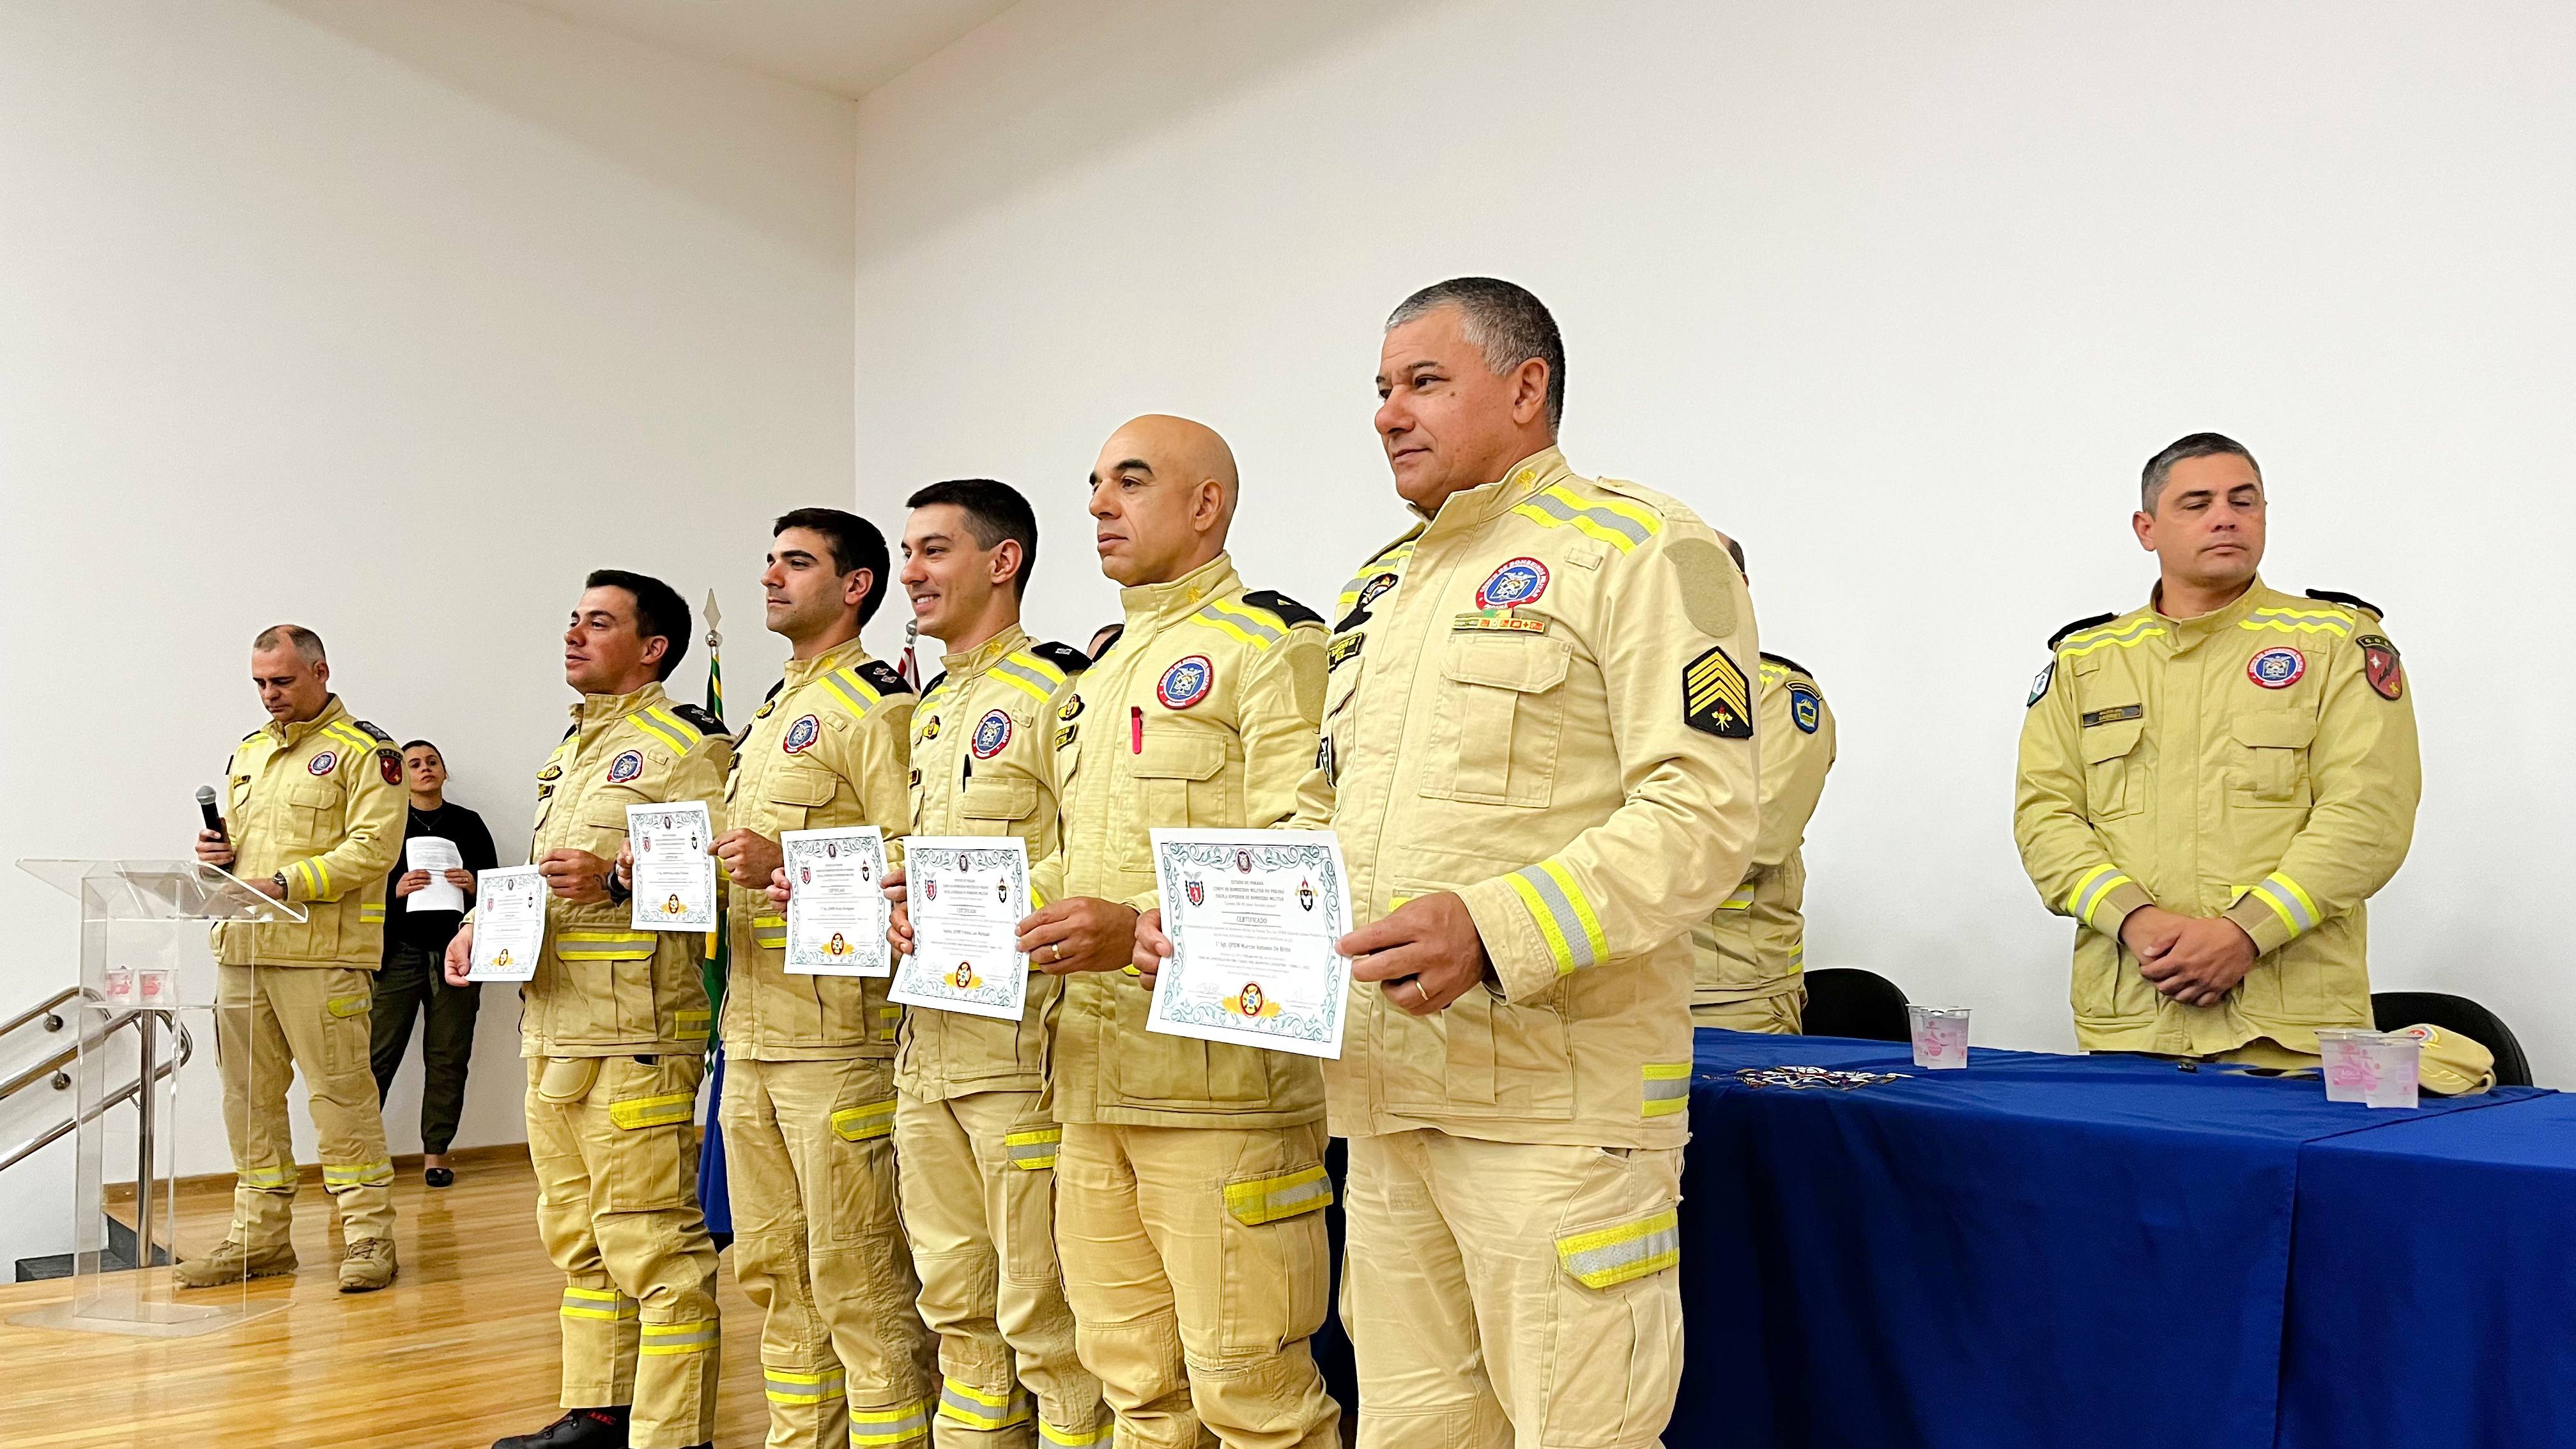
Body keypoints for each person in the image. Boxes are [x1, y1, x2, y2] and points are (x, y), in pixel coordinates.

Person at [1174, 278, 1761, 1447]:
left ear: (1525, 387)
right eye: (1382, 390)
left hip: (1555, 1110)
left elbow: (1702, 811)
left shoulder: (1643, 547)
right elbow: (1330, 815)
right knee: (1414, 1432)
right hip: (1392, 1102)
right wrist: (1209, 920)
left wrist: (1492, 925)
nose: (1389, 412)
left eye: (1423, 382)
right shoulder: (1379, 590)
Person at [944, 415, 1337, 1449]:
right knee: (1137, 1393)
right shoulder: (1105, 670)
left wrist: (1139, 933)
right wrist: (958, 909)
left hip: (1225, 1092)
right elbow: (1076, 865)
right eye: (1092, 484)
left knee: (1251, 1396)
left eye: (1129, 480)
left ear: (1205, 504)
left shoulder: (1271, 644)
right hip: (1089, 1079)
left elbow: (1313, 861)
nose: (1097, 505)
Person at [2012, 433, 2451, 1077]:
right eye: (2197, 503)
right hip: (2132, 1022)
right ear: (2147, 528)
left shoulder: (2335, 641)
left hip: (2293, 1030)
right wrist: (2135, 921)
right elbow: (2045, 821)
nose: (2226, 516)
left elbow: (2368, 817)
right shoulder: (2087, 660)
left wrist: (2245, 933)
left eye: (2245, 502)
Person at [448, 572, 730, 1449]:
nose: (573, 635)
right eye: (572, 620)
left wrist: (616, 879)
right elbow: (544, 882)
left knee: (654, 1247)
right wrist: (476, 926)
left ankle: (674, 1434)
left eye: (598, 623)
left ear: (653, 648)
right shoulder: (572, 751)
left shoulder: (692, 746)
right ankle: (598, 1413)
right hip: (556, 1026)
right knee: (580, 1241)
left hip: (640, 1034)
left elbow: (723, 883)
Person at [694, 509, 936, 1449]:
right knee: (775, 1276)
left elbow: (916, 855)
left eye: (796, 563)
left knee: (860, 1281)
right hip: (753, 1035)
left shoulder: (880, 706)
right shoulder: (769, 714)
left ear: (857, 586)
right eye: (767, 560)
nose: (770, 577)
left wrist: (786, 855)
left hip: (841, 1041)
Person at [877, 479, 1105, 1446]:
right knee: (956, 1311)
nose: (911, 573)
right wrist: (900, 900)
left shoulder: (1058, 692)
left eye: (933, 550)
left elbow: (1095, 851)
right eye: (906, 552)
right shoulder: (930, 710)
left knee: (1047, 1324)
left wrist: (979, 901)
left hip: (1023, 1059)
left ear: (1002, 561)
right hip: (929, 1050)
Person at [181, 624, 407, 1293]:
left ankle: (368, 1236)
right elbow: (249, 851)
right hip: (243, 950)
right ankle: (260, 1238)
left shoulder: (368, 753)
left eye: (281, 681)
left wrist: (286, 884)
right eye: (259, 683)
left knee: (341, 1099)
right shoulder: (249, 753)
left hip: (321, 957)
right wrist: (217, 858)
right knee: (247, 1100)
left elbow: (373, 849)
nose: (269, 695)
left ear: (320, 670)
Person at [1691, 539, 1837, 1032]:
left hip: (1730, 994)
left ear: (1741, 589)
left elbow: (1755, 837)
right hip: (1614, 987)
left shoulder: (1776, 694)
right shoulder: (1615, 688)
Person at [372, 739, 499, 1185]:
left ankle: (436, 1155)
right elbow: (360, 890)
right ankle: (358, 1162)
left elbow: (497, 893)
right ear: (401, 775)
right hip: (398, 954)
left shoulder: (469, 823)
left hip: (458, 955)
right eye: (414, 764)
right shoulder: (385, 824)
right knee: (376, 1058)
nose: (424, 769)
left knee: (448, 1056)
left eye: (432, 762)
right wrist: (396, 890)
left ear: (444, 772)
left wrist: (472, 886)